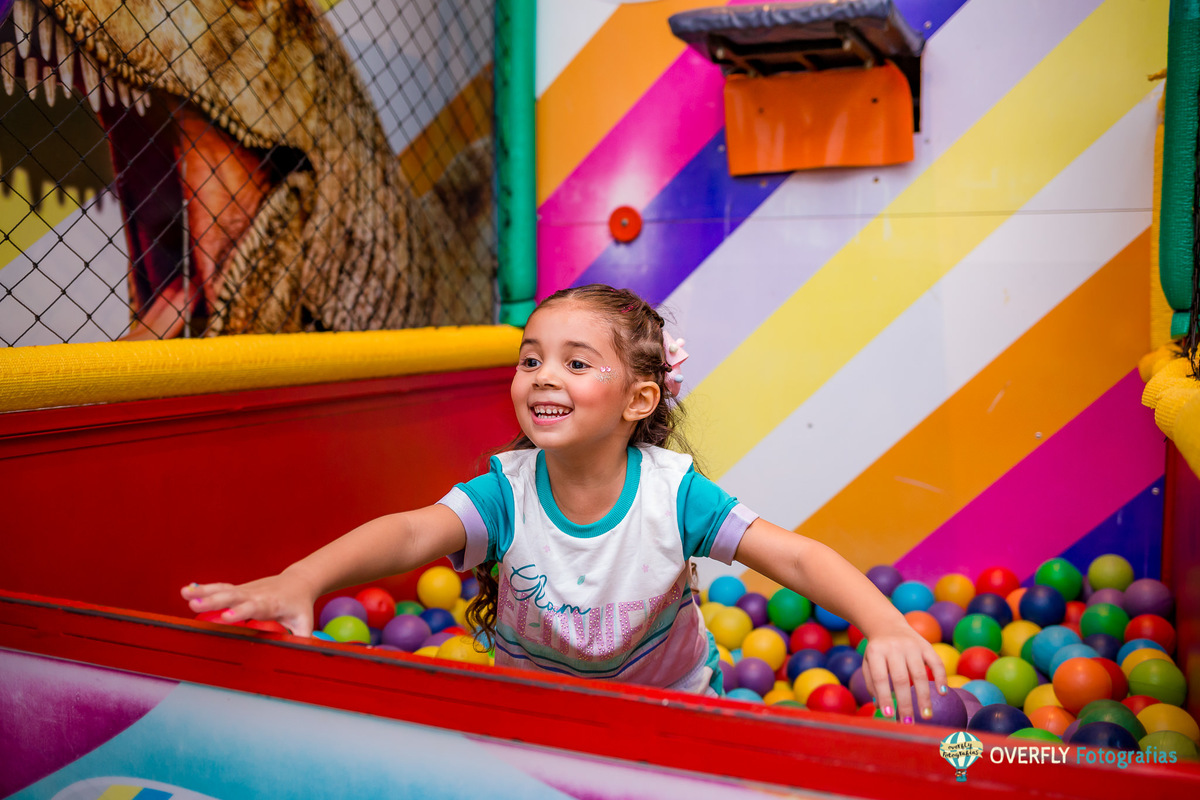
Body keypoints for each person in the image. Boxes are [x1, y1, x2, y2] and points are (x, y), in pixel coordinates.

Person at [182, 284, 947, 722]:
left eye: (576, 363)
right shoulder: (506, 493)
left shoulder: (670, 492)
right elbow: (413, 531)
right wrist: (302, 580)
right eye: (530, 359)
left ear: (637, 399)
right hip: (536, 717)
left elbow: (793, 554)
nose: (543, 376)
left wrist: (883, 624)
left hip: (677, 714)